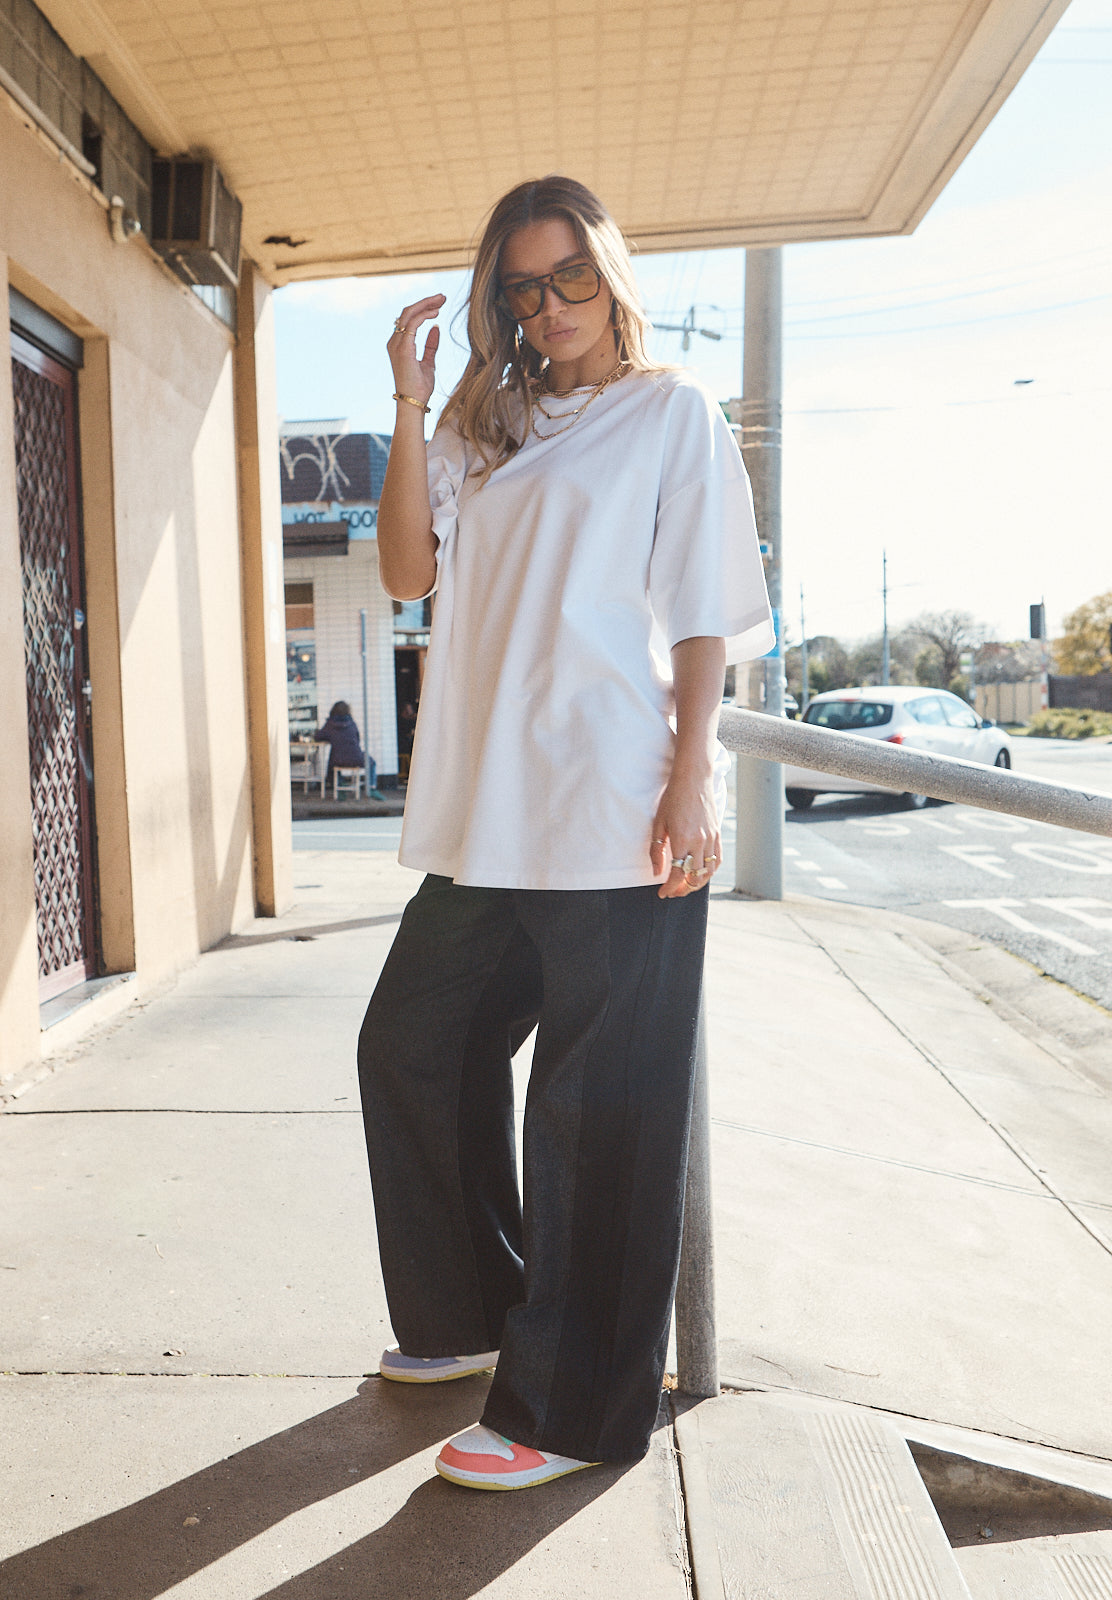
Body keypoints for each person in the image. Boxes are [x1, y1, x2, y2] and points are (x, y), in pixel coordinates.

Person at [357, 175, 773, 1492]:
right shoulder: (495, 426)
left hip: (619, 803)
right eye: (524, 288)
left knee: (600, 1111)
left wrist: (692, 776)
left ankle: (569, 1410)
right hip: (499, 814)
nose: (552, 306)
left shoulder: (673, 412)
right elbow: (407, 574)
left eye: (571, 277)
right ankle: (473, 1317)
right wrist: (412, 403)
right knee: (414, 1043)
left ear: (612, 272)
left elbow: (706, 607)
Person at [313, 701, 372, 786]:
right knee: (372, 762)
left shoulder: (330, 724)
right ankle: (371, 786)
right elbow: (357, 739)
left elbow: (318, 737)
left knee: (331, 764)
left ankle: (339, 786)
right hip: (356, 758)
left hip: (338, 760)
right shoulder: (352, 724)